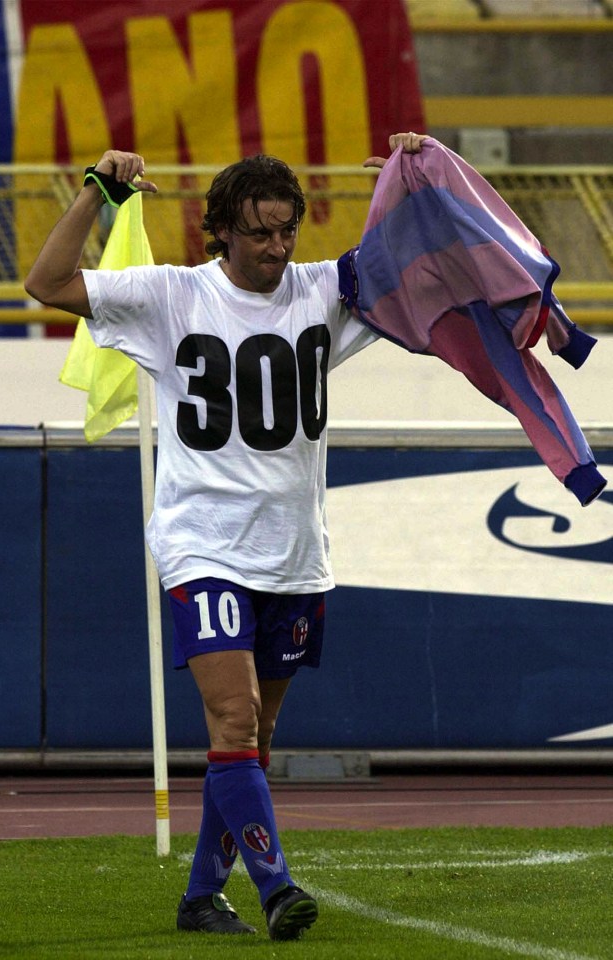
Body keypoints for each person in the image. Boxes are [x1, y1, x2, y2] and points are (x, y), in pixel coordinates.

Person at [24, 131, 427, 941]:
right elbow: (47, 281)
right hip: (202, 542)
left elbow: (421, 268)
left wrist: (411, 184)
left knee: (252, 737)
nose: (277, 248)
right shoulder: (172, 295)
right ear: (222, 230)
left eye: (286, 231)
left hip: (295, 551)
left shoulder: (324, 287)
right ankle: (278, 888)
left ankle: (201, 897)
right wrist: (95, 193)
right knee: (235, 721)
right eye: (259, 232)